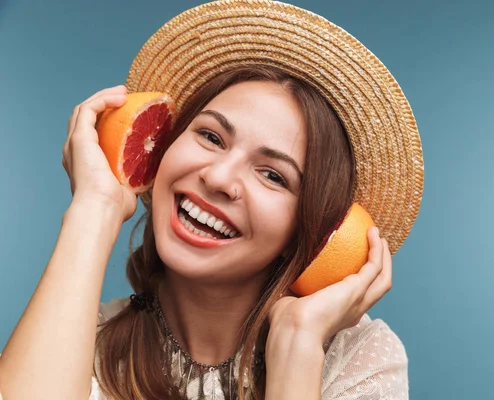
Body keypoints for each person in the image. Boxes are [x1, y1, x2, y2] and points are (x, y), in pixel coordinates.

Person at [0, 1, 424, 399]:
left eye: (273, 175)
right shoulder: (74, 343)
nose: (219, 177)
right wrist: (95, 207)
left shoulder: (356, 359)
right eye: (210, 136)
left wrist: (297, 346)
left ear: (316, 229)